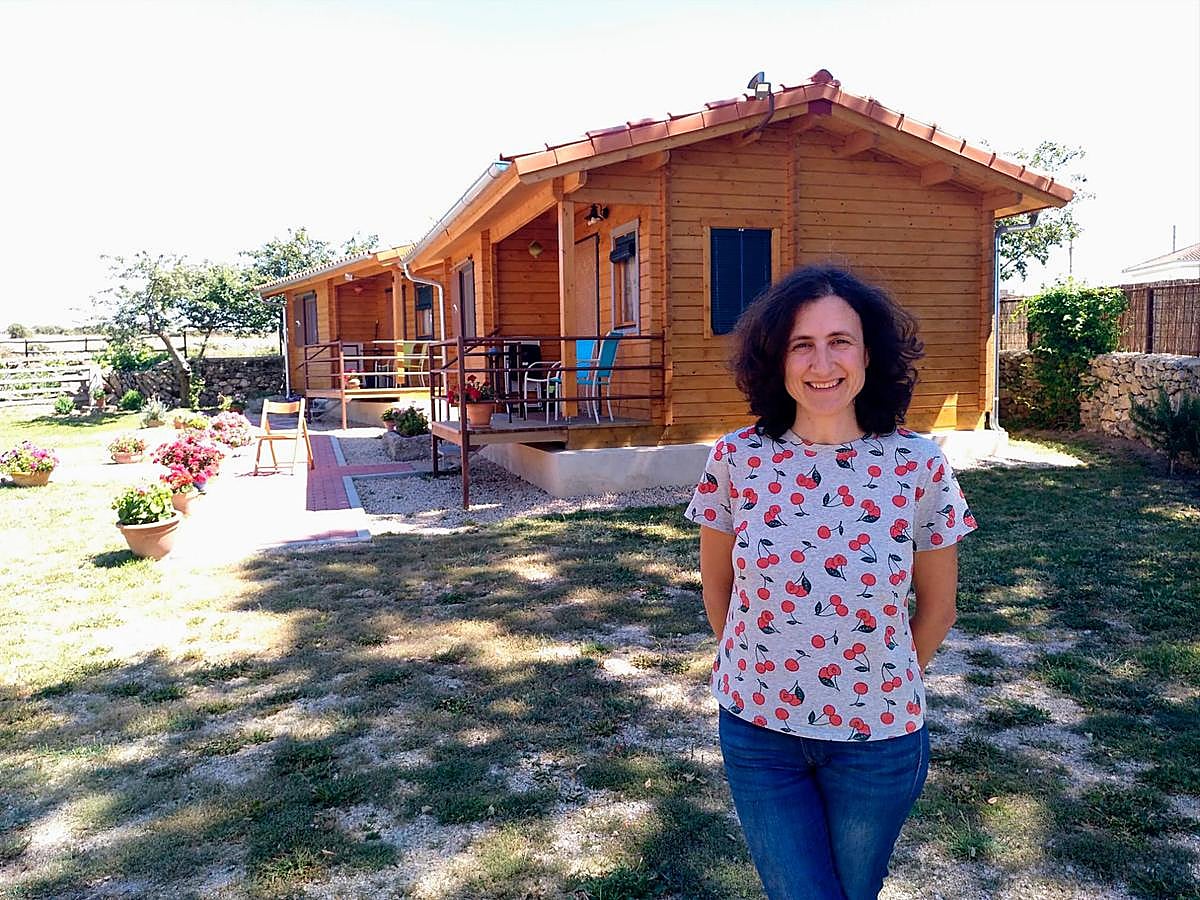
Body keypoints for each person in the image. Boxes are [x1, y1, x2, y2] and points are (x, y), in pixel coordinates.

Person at [685, 265, 977, 900]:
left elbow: (940, 607)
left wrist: (878, 682)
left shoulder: (918, 465)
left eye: (840, 341)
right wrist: (764, 673)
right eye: (802, 344)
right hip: (759, 734)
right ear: (777, 359)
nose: (823, 362)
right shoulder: (736, 460)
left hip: (877, 741)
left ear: (869, 353)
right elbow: (718, 591)